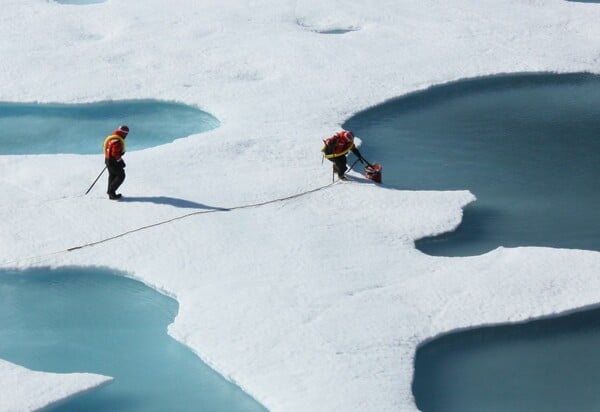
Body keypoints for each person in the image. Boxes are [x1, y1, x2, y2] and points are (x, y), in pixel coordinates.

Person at [103, 125, 129, 200]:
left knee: (112, 175)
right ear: (123, 133)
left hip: (108, 160)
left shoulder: (112, 138)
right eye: (126, 134)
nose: (126, 135)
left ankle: (111, 194)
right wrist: (120, 161)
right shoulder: (117, 141)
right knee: (121, 176)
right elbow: (115, 154)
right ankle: (111, 192)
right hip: (113, 161)